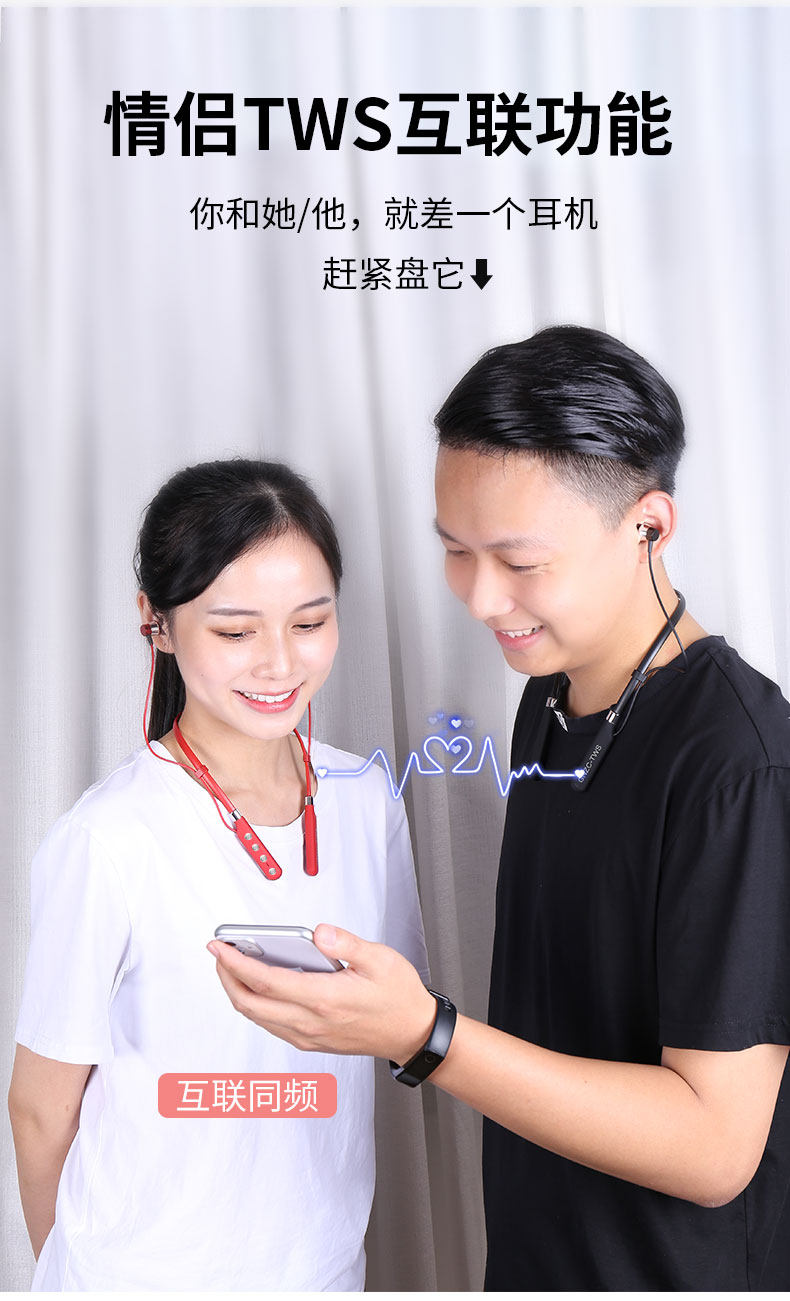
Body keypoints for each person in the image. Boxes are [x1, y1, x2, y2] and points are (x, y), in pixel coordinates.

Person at [208, 328, 790, 1290]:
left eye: (520, 561)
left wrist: (424, 1034)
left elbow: (715, 1146)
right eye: (455, 550)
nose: (481, 598)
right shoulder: (550, 696)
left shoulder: (739, 762)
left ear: (648, 526)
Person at [8, 458, 428, 1291]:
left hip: (320, 1272)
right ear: (156, 622)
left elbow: (398, 1025)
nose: (279, 663)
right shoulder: (107, 838)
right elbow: (39, 1108)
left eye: (310, 622)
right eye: (236, 632)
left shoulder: (366, 799)